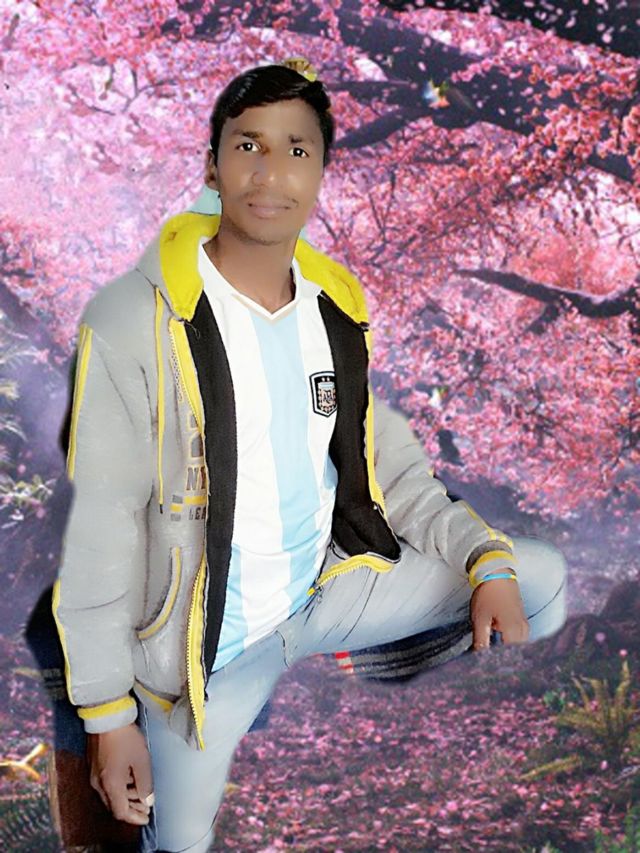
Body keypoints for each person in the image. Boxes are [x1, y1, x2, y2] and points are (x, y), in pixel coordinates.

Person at [52, 57, 568, 852]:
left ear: (322, 171)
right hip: (208, 649)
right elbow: (103, 525)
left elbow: (394, 472)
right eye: (248, 146)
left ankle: (376, 656)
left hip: (324, 590)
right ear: (213, 166)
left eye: (297, 150)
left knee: (541, 579)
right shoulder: (135, 321)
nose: (271, 172)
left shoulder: (334, 313)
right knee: (175, 841)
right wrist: (106, 714)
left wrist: (486, 563)